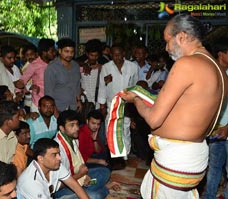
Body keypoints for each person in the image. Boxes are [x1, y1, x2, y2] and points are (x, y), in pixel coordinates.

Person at [120, 14, 227, 199]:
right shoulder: (218, 68)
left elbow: (154, 119)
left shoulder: (186, 64)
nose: (166, 47)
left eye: (167, 41)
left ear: (182, 37)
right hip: (195, 154)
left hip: (177, 158)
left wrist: (136, 100)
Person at [54, 110, 110, 199]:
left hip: (77, 177)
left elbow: (81, 162)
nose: (76, 128)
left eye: (77, 124)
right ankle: (97, 190)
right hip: (63, 189)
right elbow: (58, 185)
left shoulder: (74, 138)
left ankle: (91, 189)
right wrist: (80, 175)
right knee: (97, 195)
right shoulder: (56, 149)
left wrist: (85, 176)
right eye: (72, 125)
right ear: (62, 128)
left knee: (105, 172)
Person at [98, 44, 138, 158]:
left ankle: (125, 154)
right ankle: (113, 155)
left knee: (125, 128)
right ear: (111, 55)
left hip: (127, 103)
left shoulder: (132, 67)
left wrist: (134, 104)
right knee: (111, 129)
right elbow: (102, 86)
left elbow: (135, 86)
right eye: (114, 55)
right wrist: (102, 106)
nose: (117, 57)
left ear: (124, 54)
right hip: (111, 103)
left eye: (119, 54)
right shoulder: (106, 67)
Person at [17, 138, 90, 199]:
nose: (59, 158)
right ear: (41, 159)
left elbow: (75, 187)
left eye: (59, 153)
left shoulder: (55, 164)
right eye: (54, 155)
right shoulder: (31, 182)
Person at [203, 36, 228, 199]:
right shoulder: (211, 73)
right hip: (214, 131)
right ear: (221, 54)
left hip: (226, 129)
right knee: (213, 168)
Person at [44, 38, 82, 112]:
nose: (70, 55)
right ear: (60, 51)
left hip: (73, 108)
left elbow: (77, 86)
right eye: (66, 51)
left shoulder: (76, 66)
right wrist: (54, 111)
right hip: (58, 109)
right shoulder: (52, 68)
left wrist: (79, 100)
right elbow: (48, 92)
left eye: (72, 52)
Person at [20, 38, 56, 112]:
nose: (54, 53)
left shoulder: (56, 63)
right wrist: (29, 87)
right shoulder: (34, 65)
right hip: (38, 105)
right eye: (52, 51)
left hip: (53, 104)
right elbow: (21, 81)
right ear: (44, 52)